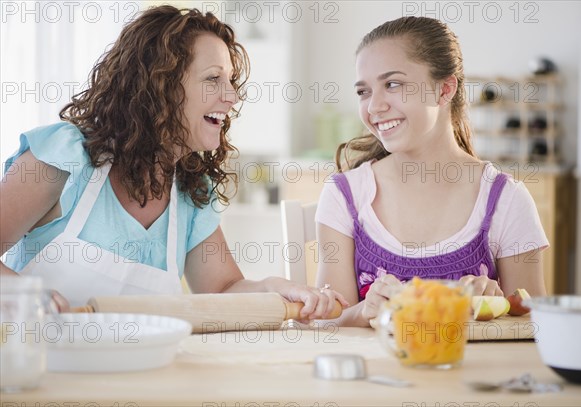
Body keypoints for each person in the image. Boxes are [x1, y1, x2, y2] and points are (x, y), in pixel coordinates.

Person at [0, 5, 347, 319]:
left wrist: (273, 286)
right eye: (214, 79)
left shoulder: (191, 192)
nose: (232, 96)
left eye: (231, 81)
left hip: (140, 379)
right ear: (159, 86)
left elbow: (222, 293)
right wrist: (25, 298)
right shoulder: (65, 155)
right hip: (38, 377)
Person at [315, 16, 548, 327]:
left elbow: (535, 326)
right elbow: (326, 325)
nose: (373, 107)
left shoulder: (506, 200)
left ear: (444, 89)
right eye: (364, 92)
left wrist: (500, 304)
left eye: (393, 84)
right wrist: (362, 312)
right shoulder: (345, 196)